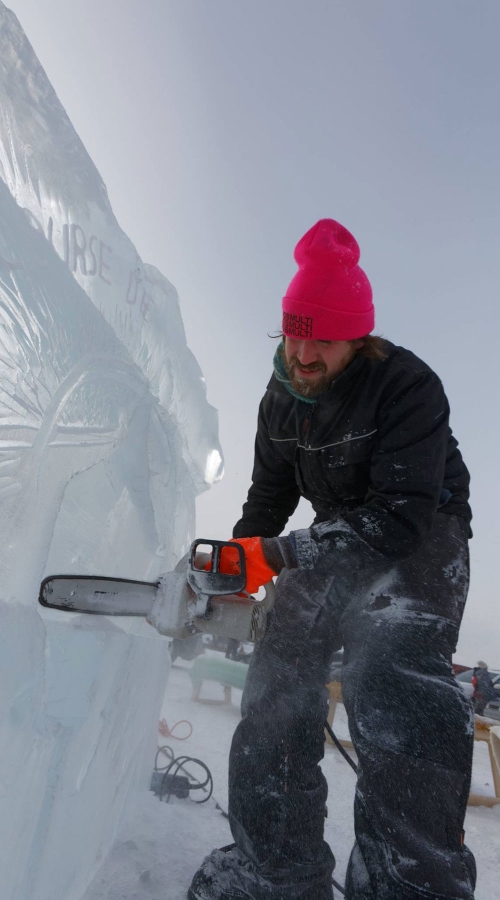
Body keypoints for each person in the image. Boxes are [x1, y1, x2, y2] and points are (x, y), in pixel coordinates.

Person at [188, 219, 475, 900]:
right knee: (275, 682)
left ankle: (412, 887)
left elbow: (400, 518)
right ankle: (274, 868)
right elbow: (267, 498)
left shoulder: (408, 387)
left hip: (421, 535)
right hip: (335, 531)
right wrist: (240, 561)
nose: (304, 352)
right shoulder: (282, 400)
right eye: (294, 332)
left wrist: (282, 554)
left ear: (362, 338)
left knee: (390, 670)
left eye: (323, 339)